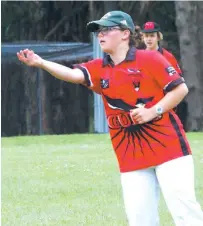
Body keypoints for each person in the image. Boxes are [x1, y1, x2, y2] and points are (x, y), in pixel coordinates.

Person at [17, 11, 203, 226]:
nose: (100, 34)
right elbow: (73, 75)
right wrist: (41, 63)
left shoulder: (150, 58)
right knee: (141, 221)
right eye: (98, 31)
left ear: (125, 34)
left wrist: (153, 111)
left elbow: (180, 89)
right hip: (131, 158)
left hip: (169, 151)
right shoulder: (99, 67)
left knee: (186, 215)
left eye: (106, 29)